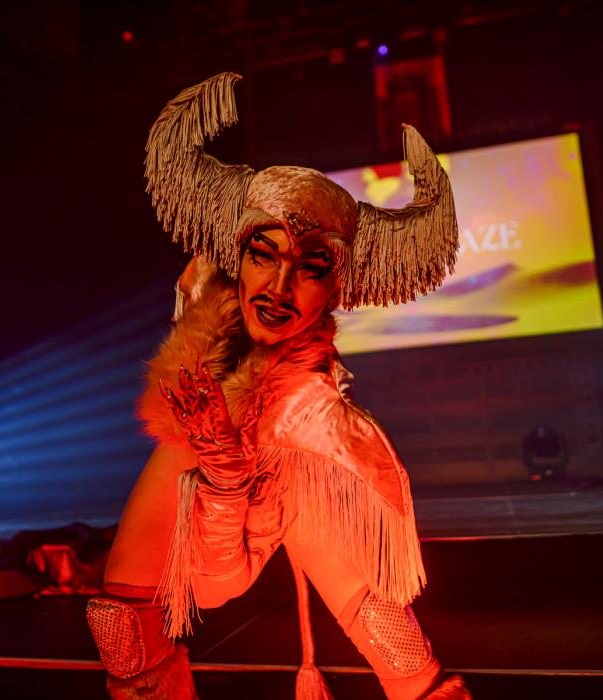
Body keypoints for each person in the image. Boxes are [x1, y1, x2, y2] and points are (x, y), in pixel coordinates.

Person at [86, 72, 472, 700]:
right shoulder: (200, 344)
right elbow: (212, 586)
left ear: (335, 287)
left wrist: (228, 467)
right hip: (215, 453)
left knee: (396, 646)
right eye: (264, 255)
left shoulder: (312, 422)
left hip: (294, 465)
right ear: (237, 257)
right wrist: (221, 466)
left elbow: (221, 581)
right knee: (121, 630)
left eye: (310, 268)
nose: (278, 288)